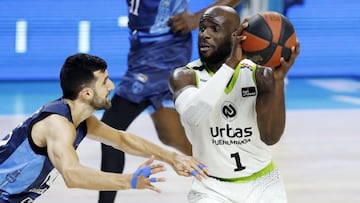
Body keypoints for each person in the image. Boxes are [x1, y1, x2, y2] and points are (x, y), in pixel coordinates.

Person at [0, 53, 208, 203]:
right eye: (105, 82)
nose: (111, 87)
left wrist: (173, 158)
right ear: (87, 93)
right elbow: (73, 175)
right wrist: (128, 181)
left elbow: (121, 139)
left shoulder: (81, 119)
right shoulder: (58, 125)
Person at [99, 0, 241, 202]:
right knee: (170, 135)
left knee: (111, 128)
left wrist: (198, 19)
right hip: (142, 49)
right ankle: (230, 172)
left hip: (162, 52)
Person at [169, 5, 300, 203]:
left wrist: (278, 82)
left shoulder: (259, 75)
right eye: (202, 28)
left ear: (236, 36)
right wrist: (231, 64)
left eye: (215, 29)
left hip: (263, 184)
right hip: (211, 187)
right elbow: (193, 115)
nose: (205, 34)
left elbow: (271, 137)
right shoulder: (185, 76)